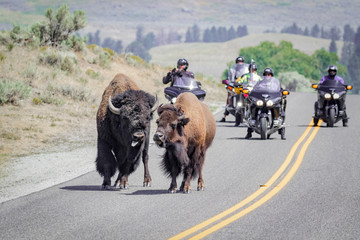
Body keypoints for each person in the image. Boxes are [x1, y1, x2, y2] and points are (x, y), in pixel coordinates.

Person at [245, 67, 286, 139]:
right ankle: (249, 130)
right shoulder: (259, 83)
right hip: (262, 100)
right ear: (264, 75)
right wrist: (249, 91)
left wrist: (283, 92)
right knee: (252, 105)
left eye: (269, 74)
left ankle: (280, 127)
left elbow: (280, 90)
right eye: (266, 74)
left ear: (271, 75)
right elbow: (254, 89)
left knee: (277, 106)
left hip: (271, 100)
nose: (267, 76)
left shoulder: (275, 83)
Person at [220, 56, 249, 122]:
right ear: (236, 62)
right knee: (229, 94)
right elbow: (230, 78)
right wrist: (228, 83)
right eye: (238, 62)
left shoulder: (246, 70)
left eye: (241, 62)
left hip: (244, 86)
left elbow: (250, 78)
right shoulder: (233, 70)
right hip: (235, 86)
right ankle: (225, 113)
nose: (240, 63)